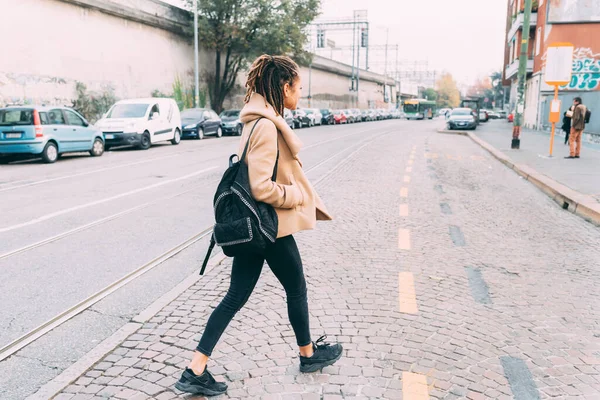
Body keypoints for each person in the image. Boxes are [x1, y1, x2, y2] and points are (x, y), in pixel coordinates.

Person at [174, 55, 343, 397]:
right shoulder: (266, 126)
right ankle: (308, 355)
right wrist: (294, 194)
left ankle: (195, 368)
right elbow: (261, 186)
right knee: (296, 287)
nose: (300, 94)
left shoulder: (258, 121)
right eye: (298, 88)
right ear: (284, 87)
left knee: (235, 296)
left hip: (257, 227)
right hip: (269, 228)